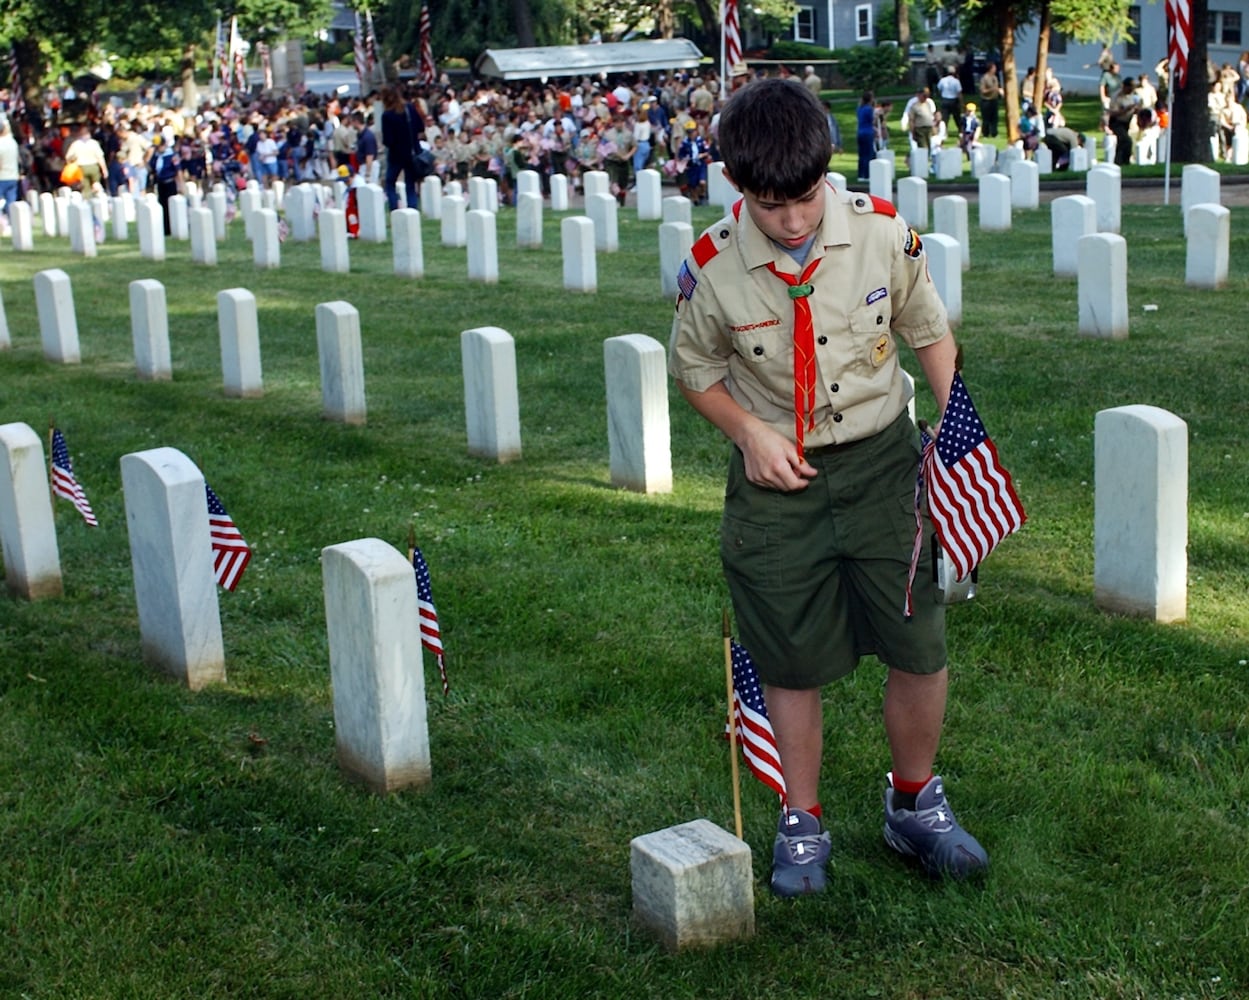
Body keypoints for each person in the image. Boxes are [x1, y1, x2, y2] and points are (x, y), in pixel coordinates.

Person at [667, 77, 987, 898]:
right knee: (790, 650)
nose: (796, 221)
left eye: (807, 198)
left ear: (827, 173)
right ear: (738, 187)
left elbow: (928, 332)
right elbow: (696, 372)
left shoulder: (881, 234)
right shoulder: (711, 267)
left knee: (917, 642)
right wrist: (748, 433)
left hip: (881, 464)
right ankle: (800, 819)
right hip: (779, 483)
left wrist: (959, 438)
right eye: (773, 206)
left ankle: (914, 803)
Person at [380, 84, 426, 211]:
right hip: (412, 152)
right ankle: (412, 210)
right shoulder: (410, 108)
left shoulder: (387, 115)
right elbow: (421, 127)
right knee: (410, 184)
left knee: (390, 183)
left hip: (396, 154)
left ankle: (394, 208)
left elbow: (388, 140)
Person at [0, 118, 20, 213]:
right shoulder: (13, 142)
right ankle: (12, 223)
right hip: (13, 176)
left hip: (2, 176)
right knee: (11, 203)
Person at [855, 90, 875, 182]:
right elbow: (872, 120)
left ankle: (860, 174)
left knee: (861, 154)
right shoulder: (869, 109)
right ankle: (867, 175)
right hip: (868, 132)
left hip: (860, 132)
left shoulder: (859, 108)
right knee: (868, 154)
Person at [978, 62, 1001, 138]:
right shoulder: (984, 78)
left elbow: (997, 88)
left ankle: (994, 133)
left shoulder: (995, 77)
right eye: (994, 68)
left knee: (994, 118)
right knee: (986, 118)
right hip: (986, 100)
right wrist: (992, 89)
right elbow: (982, 90)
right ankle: (985, 133)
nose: (995, 69)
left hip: (994, 100)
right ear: (990, 69)